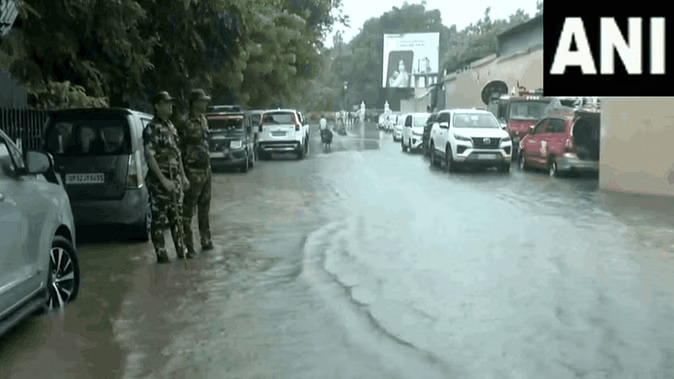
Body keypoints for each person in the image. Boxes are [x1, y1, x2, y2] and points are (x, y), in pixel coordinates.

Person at [143, 91, 191, 263]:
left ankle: (181, 250)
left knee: (177, 216)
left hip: (175, 180)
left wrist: (183, 177)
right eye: (167, 103)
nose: (171, 106)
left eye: (171, 103)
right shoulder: (151, 128)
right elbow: (149, 156)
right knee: (159, 219)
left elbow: (177, 155)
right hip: (160, 183)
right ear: (157, 106)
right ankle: (161, 253)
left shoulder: (171, 127)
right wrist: (163, 181)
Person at [178, 88, 213, 256]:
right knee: (188, 210)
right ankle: (188, 246)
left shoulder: (203, 120)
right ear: (195, 103)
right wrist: (183, 175)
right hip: (191, 171)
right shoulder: (184, 122)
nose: (205, 103)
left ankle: (206, 241)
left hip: (206, 170)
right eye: (203, 100)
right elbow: (178, 150)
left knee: (204, 208)